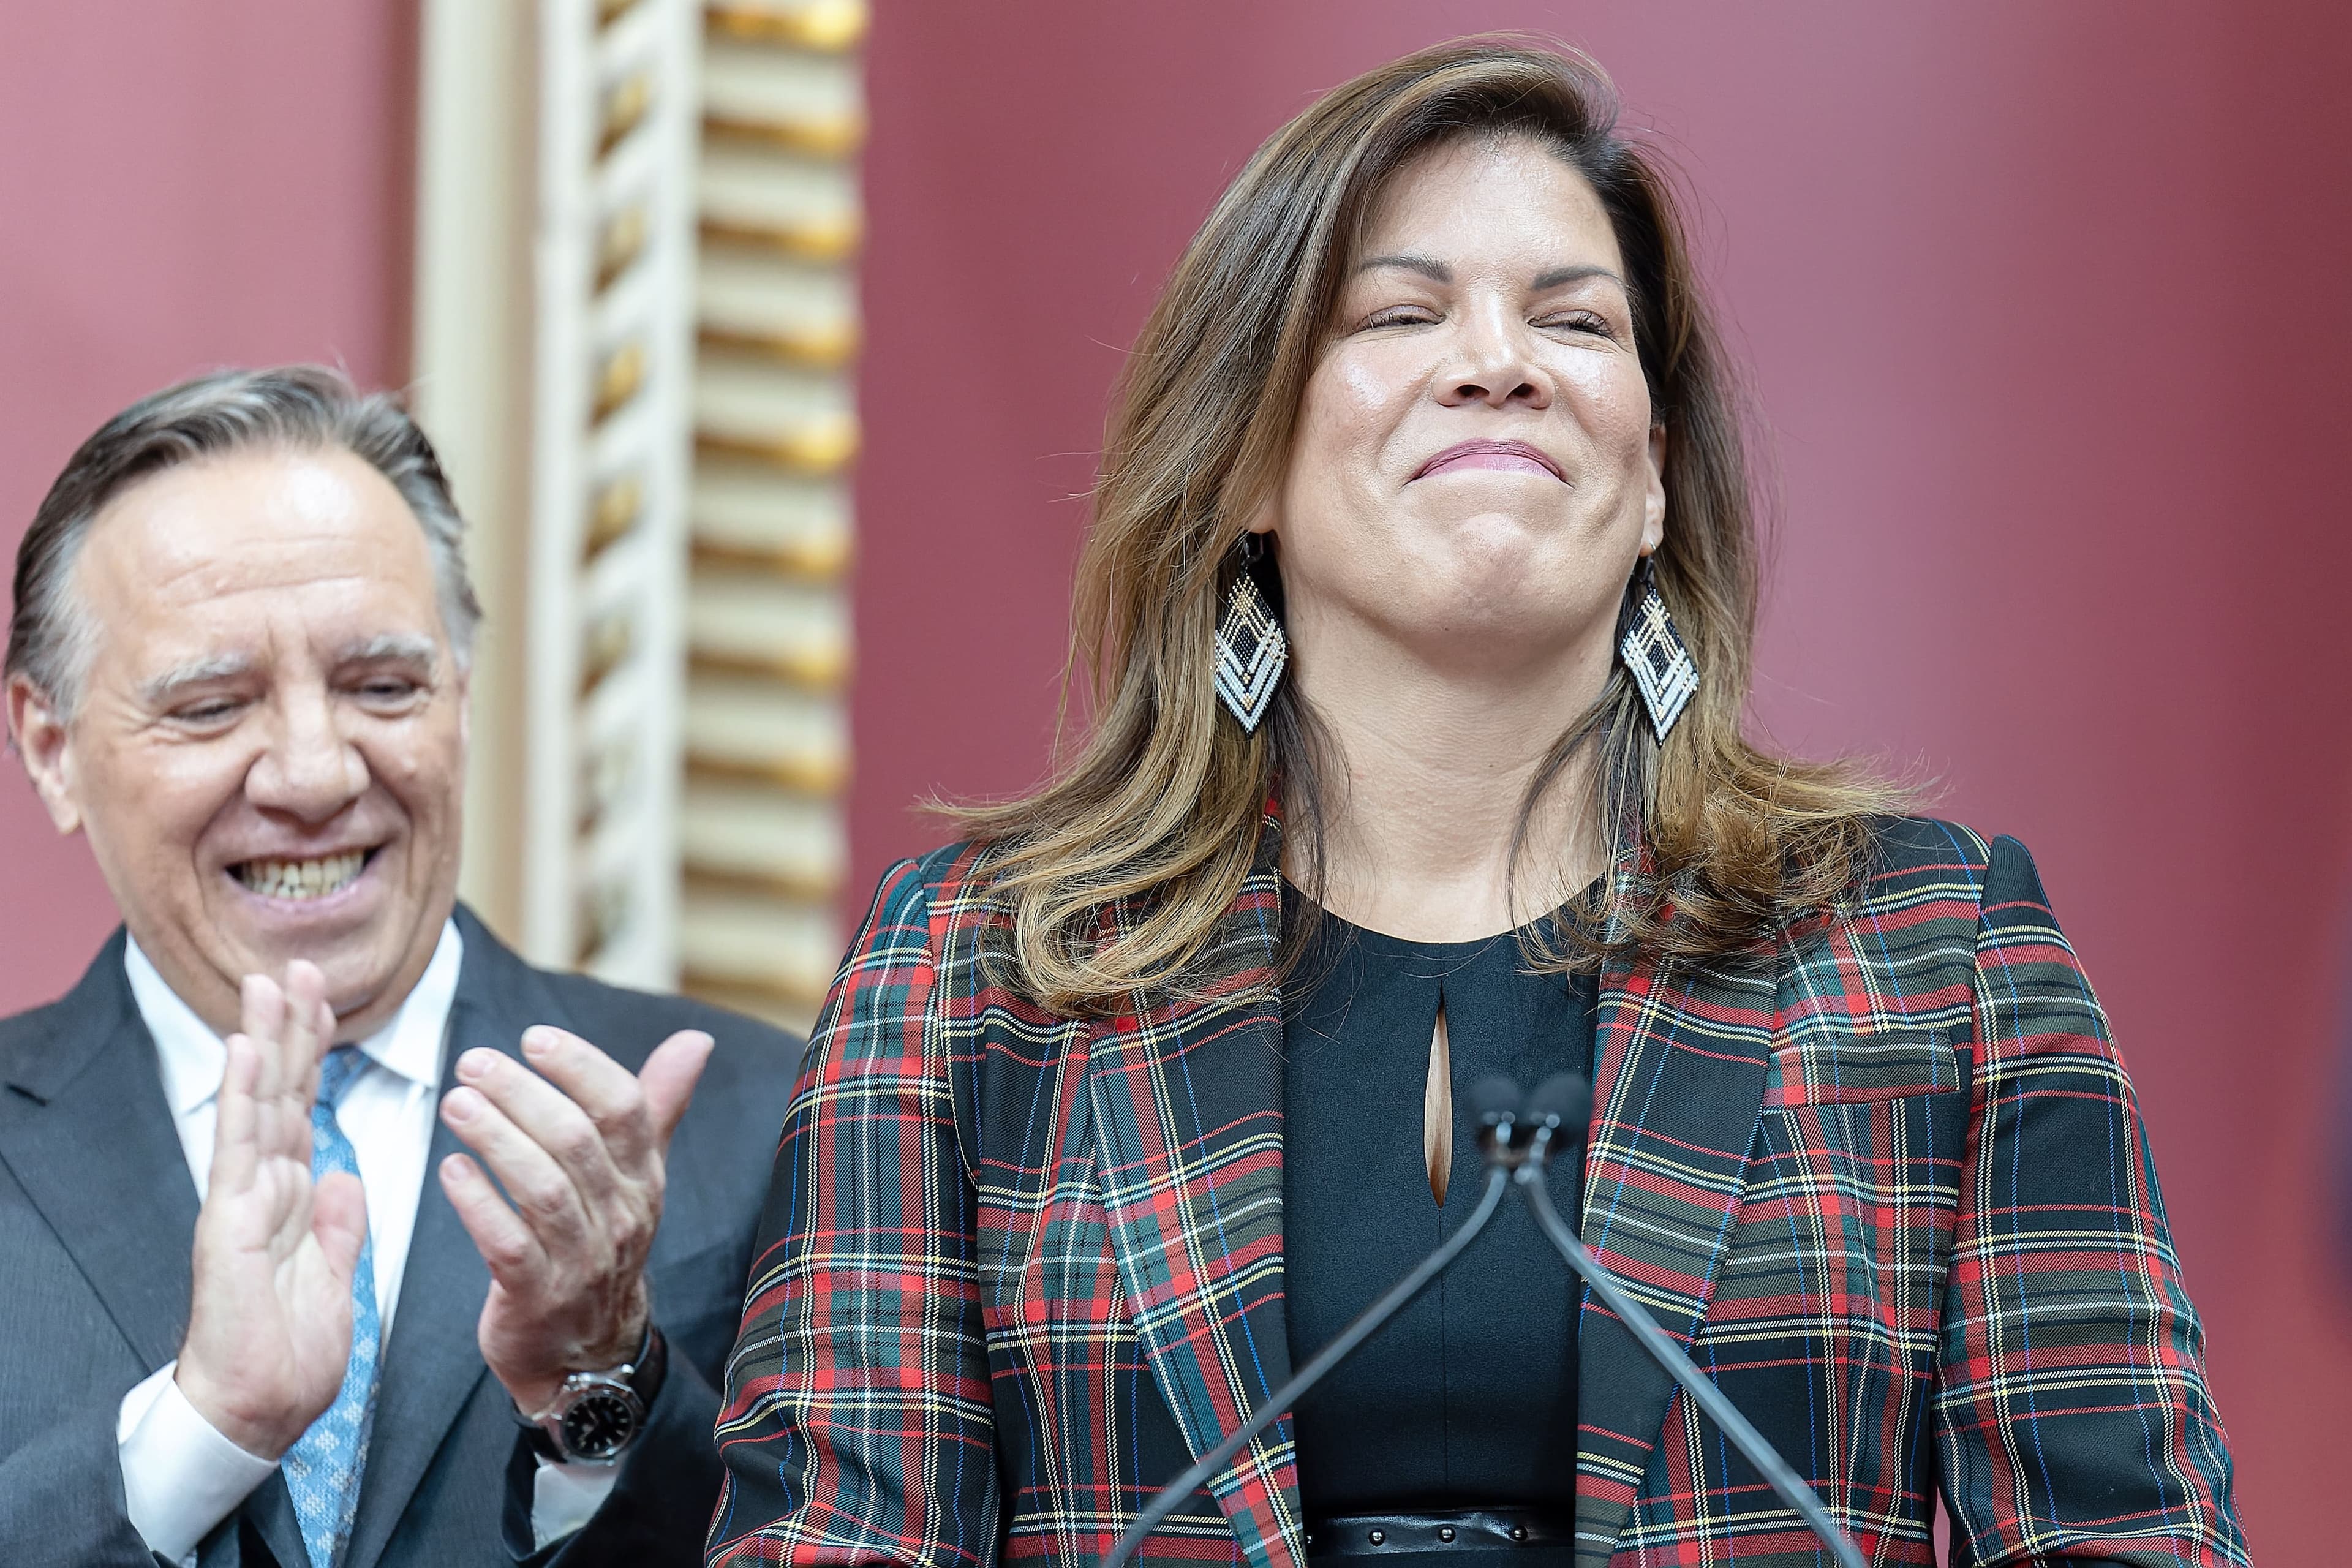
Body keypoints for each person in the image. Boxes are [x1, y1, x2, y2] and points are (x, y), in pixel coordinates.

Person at [704, 39, 2246, 1568]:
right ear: (1245, 456)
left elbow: (2127, 1537)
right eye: (1401, 309)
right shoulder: (979, 968)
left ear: (1651, 477)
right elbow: (838, 1539)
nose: (1498, 358)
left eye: (1576, 320)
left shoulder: (1938, 954)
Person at [0, 366, 800, 1568]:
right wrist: (199, 1436)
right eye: (213, 706)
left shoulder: (765, 1127)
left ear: (462, 703)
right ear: (50, 748)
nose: (315, 773)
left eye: (384, 687)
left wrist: (599, 1387)